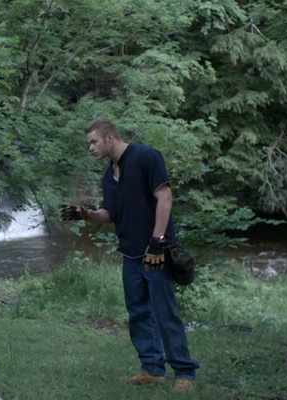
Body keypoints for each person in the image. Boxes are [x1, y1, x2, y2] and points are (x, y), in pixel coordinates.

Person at [74, 118, 199, 393]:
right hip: (130, 254)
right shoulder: (109, 176)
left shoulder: (146, 156)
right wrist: (87, 215)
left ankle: (184, 372)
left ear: (109, 137)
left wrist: (158, 242)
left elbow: (165, 197)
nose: (91, 148)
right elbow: (109, 214)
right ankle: (152, 370)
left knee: (165, 313)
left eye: (94, 142)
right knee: (139, 313)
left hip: (156, 252)